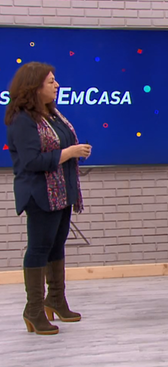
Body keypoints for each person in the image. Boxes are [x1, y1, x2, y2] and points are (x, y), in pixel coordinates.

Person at [4, 62, 92, 335]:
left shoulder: (52, 114)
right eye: (51, 81)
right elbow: (31, 161)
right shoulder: (22, 119)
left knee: (56, 246)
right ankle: (33, 310)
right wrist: (70, 152)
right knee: (39, 248)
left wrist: (74, 151)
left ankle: (55, 299)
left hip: (63, 191)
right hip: (40, 193)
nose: (56, 85)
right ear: (34, 86)